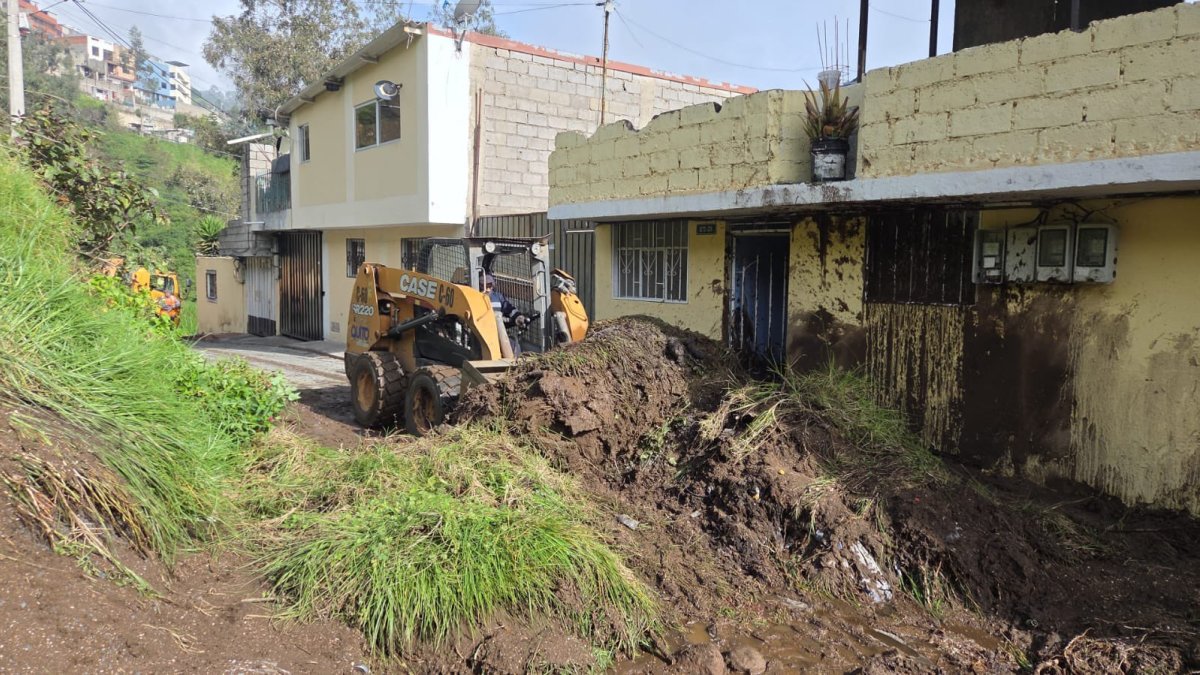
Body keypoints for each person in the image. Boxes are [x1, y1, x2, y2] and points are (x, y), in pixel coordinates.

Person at [484, 273, 527, 354]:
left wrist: (517, 317)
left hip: (498, 330)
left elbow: (508, 307)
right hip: (483, 332)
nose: (488, 289)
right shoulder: (477, 297)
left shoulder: (497, 297)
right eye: (485, 286)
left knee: (513, 346)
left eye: (490, 286)